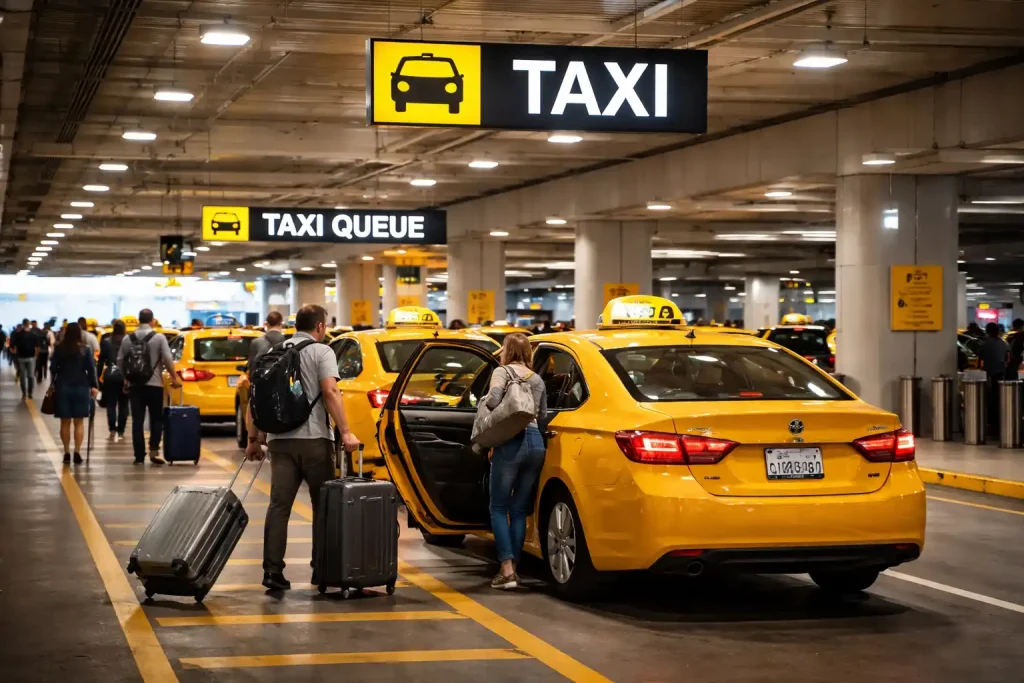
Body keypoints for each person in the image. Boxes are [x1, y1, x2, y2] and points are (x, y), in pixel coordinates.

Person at [244, 304, 360, 591]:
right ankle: (321, 570)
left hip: (279, 442)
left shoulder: (273, 352)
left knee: (279, 506)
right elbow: (330, 391)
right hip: (314, 441)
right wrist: (346, 431)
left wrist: (253, 439)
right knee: (323, 506)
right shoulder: (322, 352)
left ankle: (272, 571)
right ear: (320, 326)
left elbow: (255, 399)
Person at [481, 333, 547, 590]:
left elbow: (493, 400)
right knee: (519, 510)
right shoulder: (537, 379)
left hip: (510, 442)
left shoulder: (502, 372)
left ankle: (506, 570)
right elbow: (542, 415)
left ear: (506, 351)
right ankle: (514, 569)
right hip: (536, 443)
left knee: (498, 507)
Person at [117, 309, 180, 465]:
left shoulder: (127, 339)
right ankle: (154, 452)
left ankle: (139, 456)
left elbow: (120, 360)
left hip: (135, 385)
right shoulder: (159, 338)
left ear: (139, 320)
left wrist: (126, 378)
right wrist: (174, 377)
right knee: (156, 419)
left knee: (137, 421)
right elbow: (167, 359)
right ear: (152, 321)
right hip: (155, 384)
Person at [49, 323, 99, 465]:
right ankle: (77, 452)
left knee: (65, 422)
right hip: (81, 387)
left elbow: (53, 368)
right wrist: (94, 385)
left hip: (63, 387)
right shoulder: (85, 349)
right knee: (79, 422)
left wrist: (57, 377)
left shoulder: (59, 348)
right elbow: (91, 369)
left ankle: (66, 453)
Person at [98, 319, 130, 441]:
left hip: (110, 376)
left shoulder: (106, 342)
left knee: (111, 404)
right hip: (125, 376)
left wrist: (98, 377)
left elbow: (101, 361)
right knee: (124, 404)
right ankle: (121, 431)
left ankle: (112, 430)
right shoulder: (128, 341)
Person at [979, 322, 1010, 430]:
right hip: (1001, 374)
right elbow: (1007, 358)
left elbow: (981, 359)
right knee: (999, 398)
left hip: (989, 375)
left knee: (990, 398)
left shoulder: (985, 344)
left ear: (987, 331)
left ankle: (991, 422)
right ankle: (999, 421)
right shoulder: (1004, 343)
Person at [11, 318, 40, 399]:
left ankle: (27, 393)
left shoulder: (21, 335)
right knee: (27, 376)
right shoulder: (30, 335)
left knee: (26, 376)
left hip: (25, 357)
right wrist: (35, 356)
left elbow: (37, 347)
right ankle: (27, 393)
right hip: (26, 358)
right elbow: (37, 347)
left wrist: (15, 353)